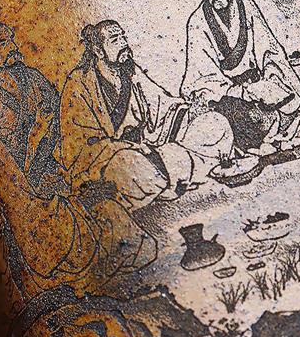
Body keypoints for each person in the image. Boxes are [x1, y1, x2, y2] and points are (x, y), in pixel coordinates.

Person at [61, 20, 233, 212]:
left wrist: (190, 111)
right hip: (116, 158)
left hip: (152, 151)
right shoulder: (79, 84)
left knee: (215, 123)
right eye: (115, 40)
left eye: (123, 37)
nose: (124, 43)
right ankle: (176, 173)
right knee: (130, 168)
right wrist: (131, 148)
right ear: (98, 51)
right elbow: (84, 147)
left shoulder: (130, 73)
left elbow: (162, 106)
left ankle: (167, 176)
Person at [182, 0, 300, 152]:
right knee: (242, 120)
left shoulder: (247, 6)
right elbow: (204, 77)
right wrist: (241, 92)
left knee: (286, 104)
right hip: (227, 96)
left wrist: (269, 81)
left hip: (258, 87)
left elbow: (270, 53)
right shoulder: (197, 22)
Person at [0, 21, 63, 194]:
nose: (13, 47)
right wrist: (37, 132)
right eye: (3, 43)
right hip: (18, 186)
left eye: (11, 40)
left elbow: (61, 115)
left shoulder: (33, 78)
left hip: (55, 171)